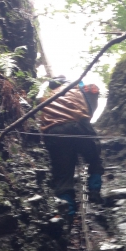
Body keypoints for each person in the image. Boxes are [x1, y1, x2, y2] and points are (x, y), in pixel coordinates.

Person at [40, 77, 104, 216]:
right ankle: (94, 192)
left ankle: (67, 213)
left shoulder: (47, 96)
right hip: (78, 124)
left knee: (63, 175)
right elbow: (91, 102)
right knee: (94, 160)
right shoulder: (78, 86)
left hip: (54, 132)